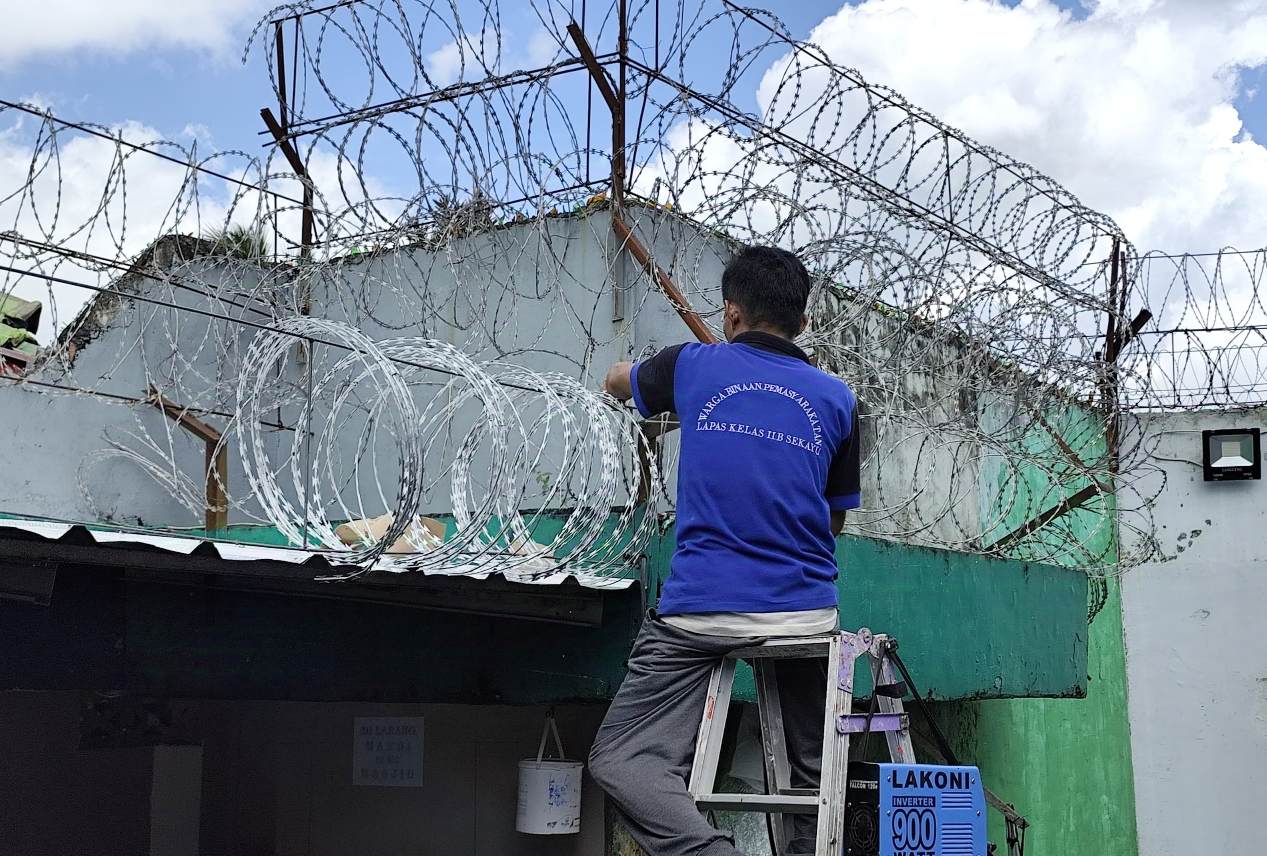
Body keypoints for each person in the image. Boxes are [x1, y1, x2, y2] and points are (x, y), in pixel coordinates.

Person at [589, 245, 862, 856]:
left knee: (620, 759)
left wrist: (627, 378)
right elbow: (834, 517)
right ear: (804, 322)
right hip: (805, 615)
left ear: (731, 313)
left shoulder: (691, 366)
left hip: (698, 616)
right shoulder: (839, 400)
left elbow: (617, 381)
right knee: (815, 773)